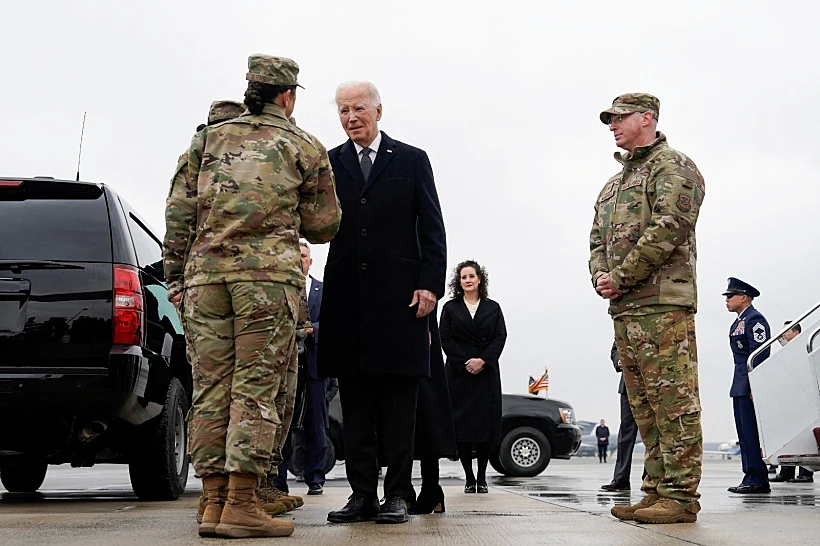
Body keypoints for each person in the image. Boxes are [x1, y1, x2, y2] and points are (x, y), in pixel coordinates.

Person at [163, 54, 341, 539]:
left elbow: (178, 214)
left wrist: (178, 282)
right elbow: (326, 223)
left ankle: (214, 503)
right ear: (288, 95)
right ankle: (241, 503)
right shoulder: (301, 143)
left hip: (204, 281)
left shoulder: (206, 138)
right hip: (265, 282)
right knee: (256, 390)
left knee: (211, 390)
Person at [319, 81, 447, 524]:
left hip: (401, 303)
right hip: (347, 302)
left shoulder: (411, 160)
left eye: (358, 109)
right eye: (342, 111)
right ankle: (361, 496)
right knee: (355, 407)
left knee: (398, 406)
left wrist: (431, 284)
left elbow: (432, 227)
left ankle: (397, 494)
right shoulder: (329, 163)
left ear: (378, 110)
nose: (350, 117)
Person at [589, 93, 705, 524]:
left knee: (674, 401)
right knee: (644, 407)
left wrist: (618, 278)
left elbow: (669, 227)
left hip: (663, 304)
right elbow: (596, 239)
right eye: (610, 120)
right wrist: (601, 276)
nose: (613, 126)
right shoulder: (614, 185)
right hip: (626, 310)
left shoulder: (673, 166)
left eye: (620, 119)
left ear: (647, 118)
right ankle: (656, 491)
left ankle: (679, 495)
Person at [440, 261, 507, 494]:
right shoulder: (450, 308)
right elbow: (445, 338)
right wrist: (465, 362)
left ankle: (482, 477)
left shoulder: (493, 308)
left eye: (471, 276)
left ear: (479, 279)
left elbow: (500, 337)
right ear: (459, 282)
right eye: (463, 277)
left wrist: (483, 361)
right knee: (463, 427)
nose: (467, 280)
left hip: (486, 373)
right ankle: (469, 478)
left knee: (485, 427)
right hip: (459, 374)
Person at [273, 242, 330, 496]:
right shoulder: (279, 289)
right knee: (282, 423)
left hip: (315, 367)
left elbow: (331, 321)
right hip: (286, 366)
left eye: (304, 256)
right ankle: (278, 480)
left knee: (316, 426)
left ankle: (315, 478)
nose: (300, 260)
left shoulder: (322, 290)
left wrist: (310, 331)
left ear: (310, 261)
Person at [407, 307, 457, 514]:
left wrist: (425, 325)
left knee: (425, 414)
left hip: (418, 326)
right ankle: (413, 490)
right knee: (404, 417)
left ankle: (429, 489)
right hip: (398, 328)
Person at [724, 278, 771, 494]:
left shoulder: (755, 319)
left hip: (749, 383)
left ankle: (758, 479)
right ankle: (750, 474)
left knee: (751, 432)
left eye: (730, 296)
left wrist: (756, 384)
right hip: (739, 382)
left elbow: (759, 354)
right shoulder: (738, 321)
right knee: (743, 432)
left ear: (743, 297)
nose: (727, 300)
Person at [769, 322, 814, 484]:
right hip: (790, 399)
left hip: (804, 398)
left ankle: (805, 473)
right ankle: (787, 470)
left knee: (804, 435)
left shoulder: (805, 348)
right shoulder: (786, 352)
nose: (782, 334)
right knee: (788, 435)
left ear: (796, 333)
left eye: (785, 331)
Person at [601, 343, 641, 492]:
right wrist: (618, 360)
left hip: (651, 385)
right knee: (625, 434)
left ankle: (651, 478)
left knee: (652, 434)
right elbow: (615, 349)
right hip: (628, 387)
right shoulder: (623, 323)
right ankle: (621, 479)